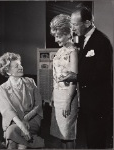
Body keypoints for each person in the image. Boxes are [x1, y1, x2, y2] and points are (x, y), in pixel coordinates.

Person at [61, 5, 113, 148]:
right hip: (89, 103)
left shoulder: (101, 41)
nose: (72, 28)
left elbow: (102, 73)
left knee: (97, 141)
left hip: (99, 104)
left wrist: (75, 77)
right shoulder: (85, 40)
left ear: (88, 23)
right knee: (92, 139)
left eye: (75, 24)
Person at [0, 52, 44, 149]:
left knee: (13, 135)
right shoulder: (3, 89)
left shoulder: (30, 82)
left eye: (20, 64)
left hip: (32, 119)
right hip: (13, 121)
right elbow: (8, 111)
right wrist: (22, 126)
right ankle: (33, 142)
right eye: (16, 66)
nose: (21, 67)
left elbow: (38, 104)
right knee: (14, 137)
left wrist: (25, 119)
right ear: (8, 71)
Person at [50, 14, 79, 149]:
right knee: (61, 133)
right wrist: (52, 95)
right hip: (57, 95)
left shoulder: (73, 51)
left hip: (68, 96)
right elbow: (56, 75)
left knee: (68, 134)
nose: (56, 40)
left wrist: (68, 102)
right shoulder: (60, 51)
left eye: (59, 36)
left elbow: (74, 79)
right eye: (55, 36)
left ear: (68, 33)